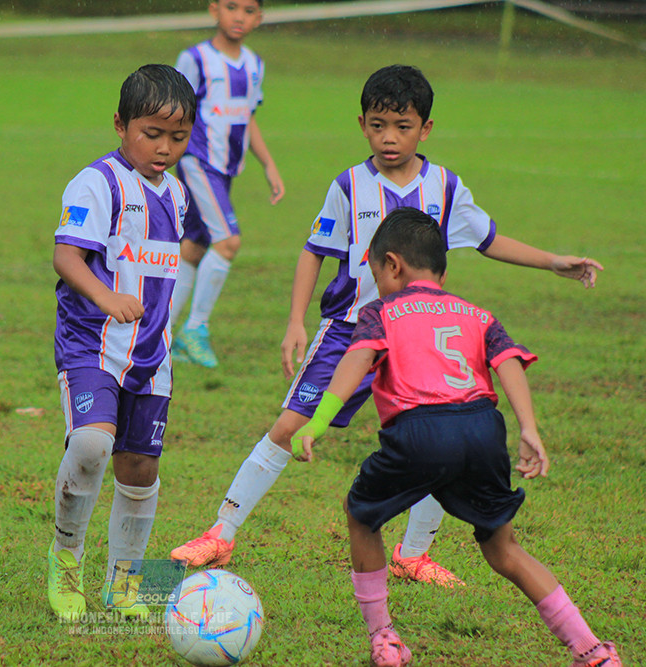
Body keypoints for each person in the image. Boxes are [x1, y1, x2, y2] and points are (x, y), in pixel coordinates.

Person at [171, 64, 602, 587]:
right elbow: (314, 251)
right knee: (288, 426)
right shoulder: (349, 186)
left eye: (402, 126)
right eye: (378, 126)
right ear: (362, 125)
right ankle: (221, 532)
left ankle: (412, 554)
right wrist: (295, 322)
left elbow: (489, 239)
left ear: (426, 128)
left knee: (438, 438)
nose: (389, 137)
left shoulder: (445, 186)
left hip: (418, 339)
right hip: (349, 331)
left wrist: (553, 261)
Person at [292, 207, 622, 667]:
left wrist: (317, 421)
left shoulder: (380, 311)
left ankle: (385, 639)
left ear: (392, 265)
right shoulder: (477, 314)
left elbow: (357, 360)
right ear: (441, 271)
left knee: (360, 515)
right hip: (483, 428)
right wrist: (528, 428)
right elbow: (508, 362)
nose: (377, 282)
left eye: (376, 272)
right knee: (503, 548)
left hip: (420, 430)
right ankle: (592, 650)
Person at [47, 64, 195, 622]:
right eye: (151, 134)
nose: (164, 148)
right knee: (90, 446)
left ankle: (126, 584)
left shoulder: (177, 194)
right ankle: (65, 563)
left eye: (177, 137)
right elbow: (66, 257)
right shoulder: (97, 183)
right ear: (120, 125)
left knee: (140, 469)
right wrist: (107, 297)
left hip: (151, 355)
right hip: (91, 343)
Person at [168, 0, 284, 368]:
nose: (239, 17)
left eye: (249, 10)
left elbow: (247, 118)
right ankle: (194, 330)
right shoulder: (195, 59)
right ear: (214, 9)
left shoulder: (254, 64)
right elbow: (172, 110)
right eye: (232, 7)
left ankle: (160, 335)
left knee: (193, 247)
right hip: (198, 161)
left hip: (226, 168)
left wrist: (268, 165)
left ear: (259, 18)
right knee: (228, 242)